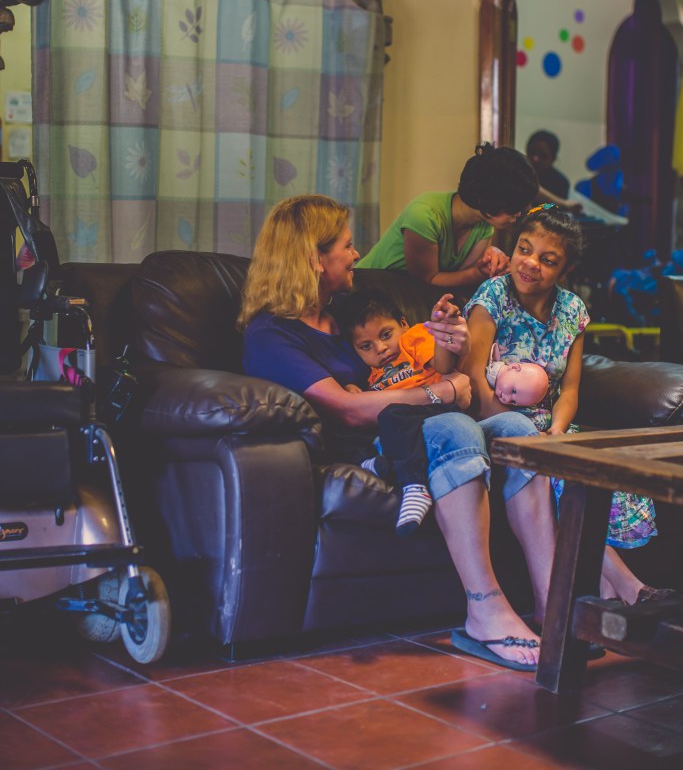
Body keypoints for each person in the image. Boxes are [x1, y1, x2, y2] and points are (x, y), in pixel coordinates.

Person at [240, 194, 559, 671]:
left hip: (421, 427)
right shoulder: (272, 334)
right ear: (314, 258)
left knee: (516, 427)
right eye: (346, 246)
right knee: (453, 425)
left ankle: (554, 604)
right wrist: (441, 393)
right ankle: (484, 612)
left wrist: (450, 347)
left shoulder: (347, 311)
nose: (356, 255)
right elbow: (347, 410)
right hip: (374, 445)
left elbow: (419, 361)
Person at [463, 203, 657, 603]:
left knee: (598, 470)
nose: (529, 263)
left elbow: (568, 390)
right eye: (523, 249)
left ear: (565, 270)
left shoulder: (572, 310)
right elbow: (474, 384)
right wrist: (534, 436)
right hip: (497, 422)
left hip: (548, 426)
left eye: (547, 260)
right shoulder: (492, 296)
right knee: (559, 472)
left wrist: (556, 431)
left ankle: (605, 599)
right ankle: (631, 588)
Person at [338, 287, 469, 535]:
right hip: (398, 421)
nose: (380, 348)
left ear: (403, 324)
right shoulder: (372, 373)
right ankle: (373, 463)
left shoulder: (414, 339)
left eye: (386, 335)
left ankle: (414, 486)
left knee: (391, 414)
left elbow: (442, 365)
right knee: (345, 429)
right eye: (366, 346)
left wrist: (441, 331)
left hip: (434, 409)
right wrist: (356, 392)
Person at [355, 144, 538, 292]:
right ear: (491, 200)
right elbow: (428, 280)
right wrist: (478, 273)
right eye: (514, 207)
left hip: (409, 299)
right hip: (368, 288)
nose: (518, 214)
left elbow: (460, 278)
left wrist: (490, 263)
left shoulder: (483, 225)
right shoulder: (425, 216)